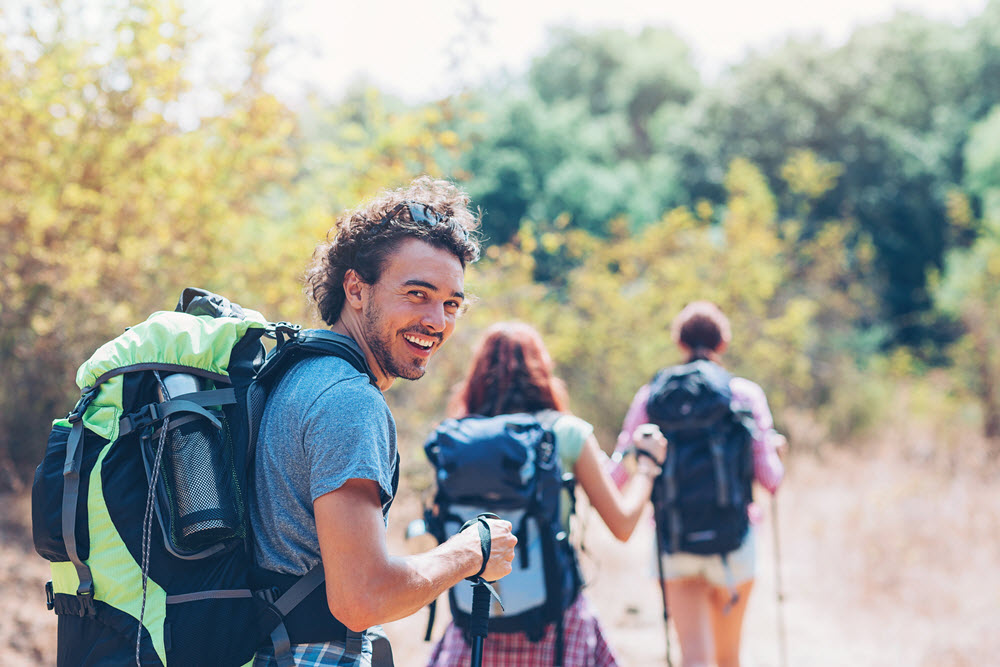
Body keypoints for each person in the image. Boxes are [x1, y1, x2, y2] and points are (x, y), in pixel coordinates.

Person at [250, 176, 518, 667]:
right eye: (417, 294)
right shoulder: (348, 401)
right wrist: (469, 550)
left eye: (451, 303)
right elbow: (361, 599)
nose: (437, 320)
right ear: (355, 287)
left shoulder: (296, 373)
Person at [425, 321, 668, 667]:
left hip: (475, 622)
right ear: (541, 370)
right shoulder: (565, 432)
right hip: (553, 625)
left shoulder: (455, 438)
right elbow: (622, 524)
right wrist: (647, 466)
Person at [614, 301, 785, 667]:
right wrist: (777, 453)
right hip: (732, 543)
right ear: (723, 344)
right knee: (728, 659)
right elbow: (770, 480)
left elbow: (617, 474)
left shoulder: (653, 396)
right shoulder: (744, 395)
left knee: (694, 658)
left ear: (679, 343)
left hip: (674, 541)